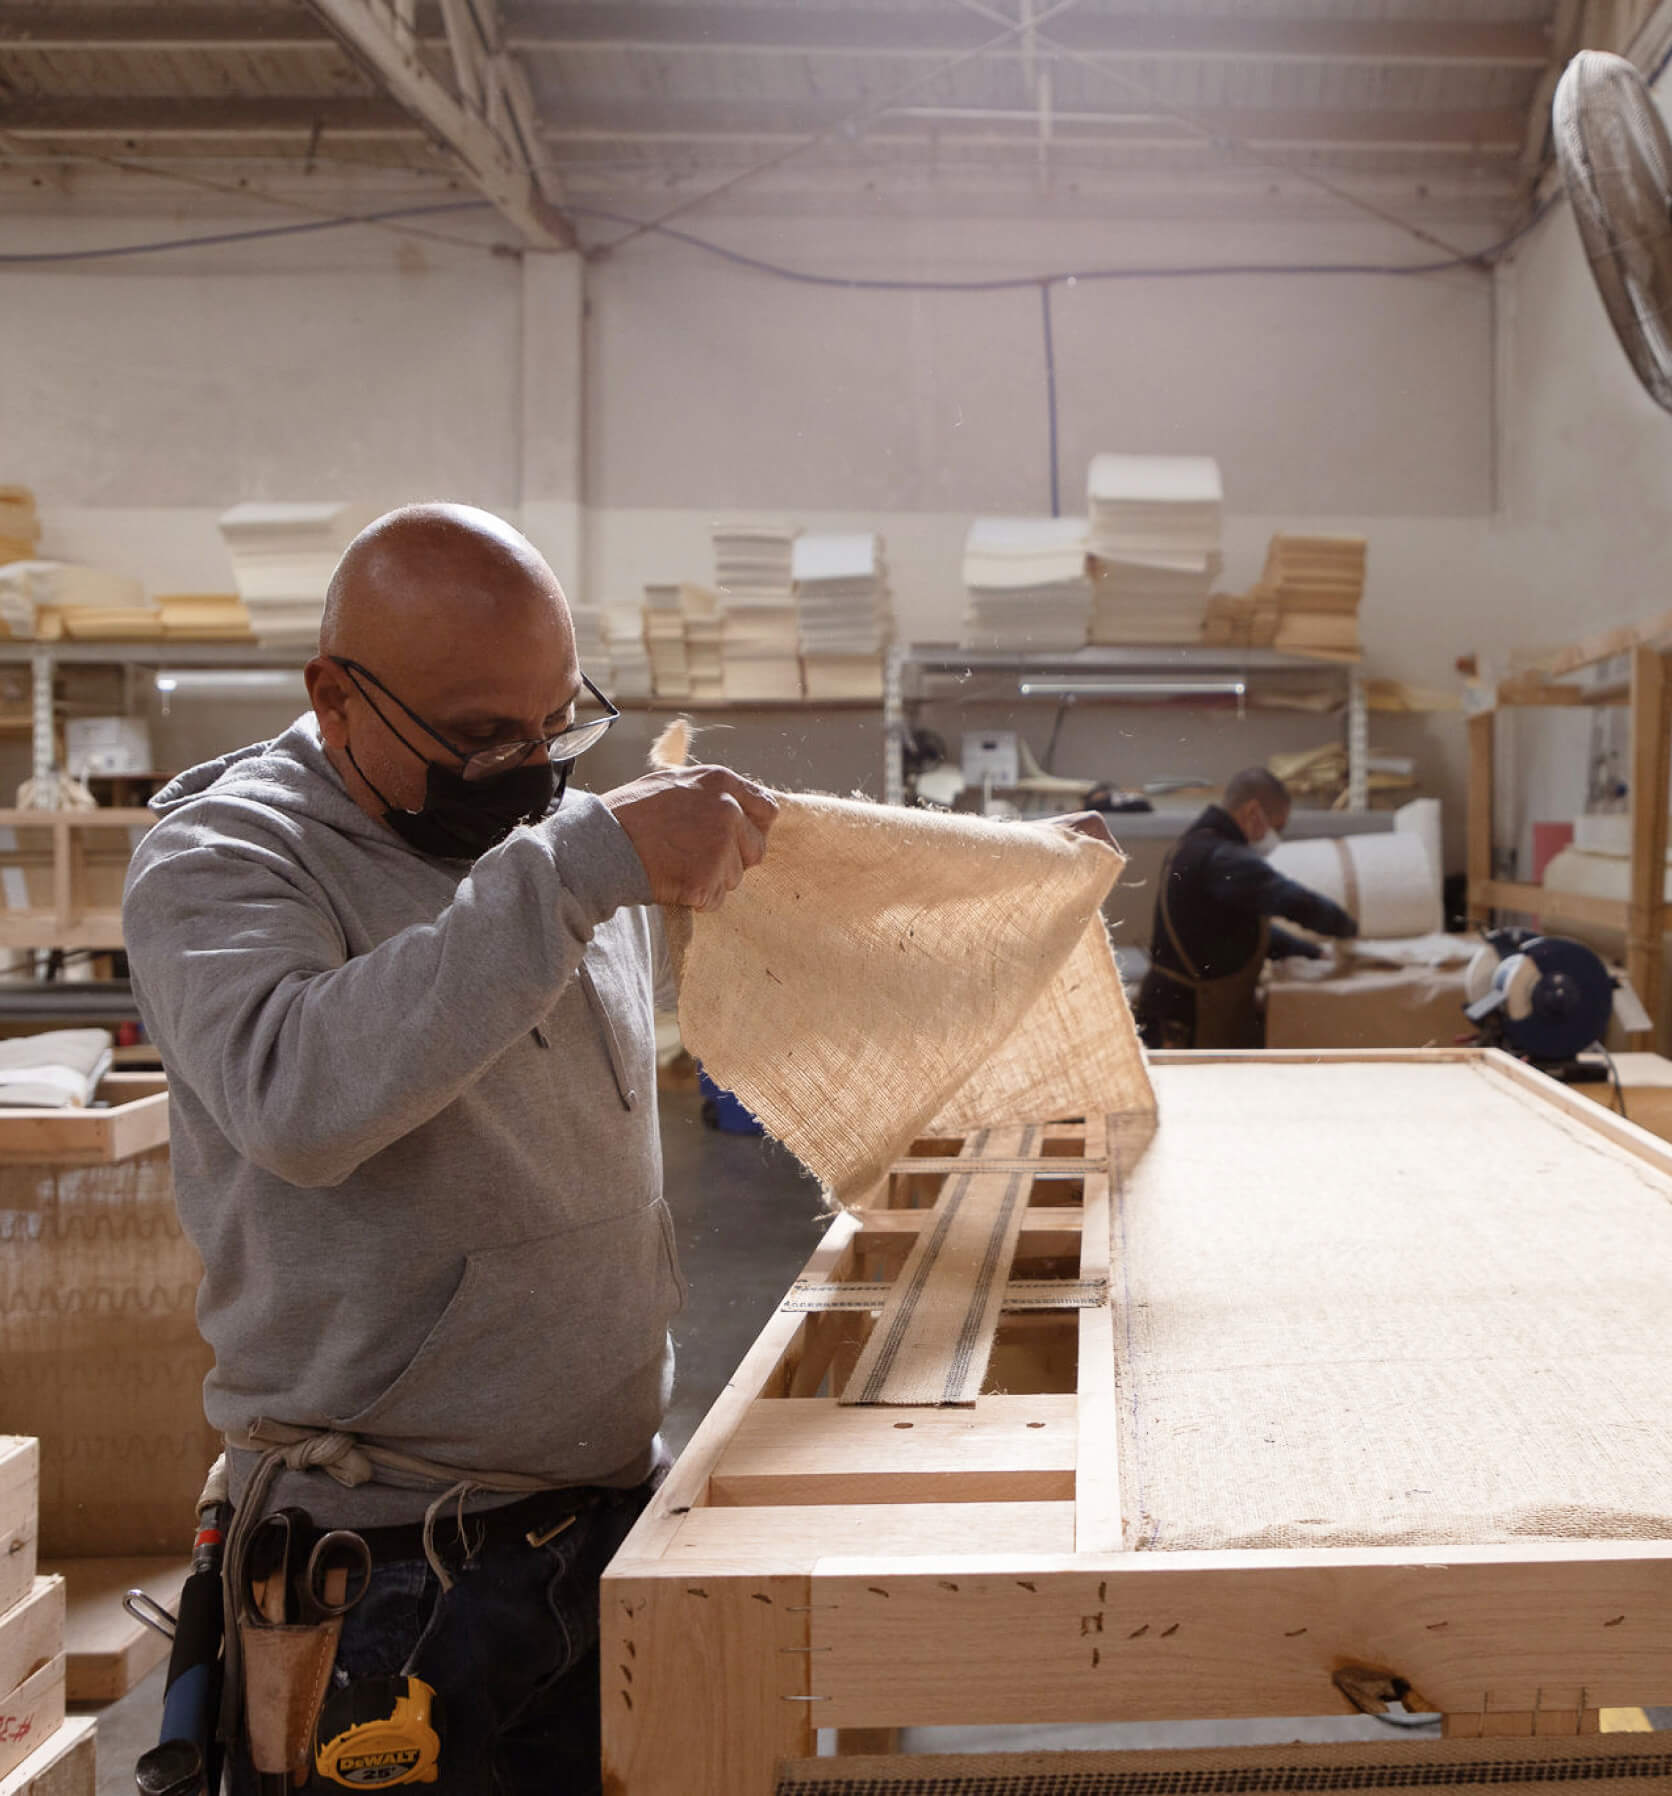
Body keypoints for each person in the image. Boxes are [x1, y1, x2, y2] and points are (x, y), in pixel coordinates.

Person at [121, 503, 780, 1793]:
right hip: (388, 1574)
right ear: (333, 694)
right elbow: (296, 1095)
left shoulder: (551, 838)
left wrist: (1008, 875)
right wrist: (575, 867)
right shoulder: (222, 858)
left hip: (604, 1517)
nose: (531, 768)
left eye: (555, 724)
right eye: (481, 735)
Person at [1133, 766, 1357, 1050]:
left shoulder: (1198, 844)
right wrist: (1349, 928)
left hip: (1180, 1007)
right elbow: (1291, 899)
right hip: (1187, 1019)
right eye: (1277, 827)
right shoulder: (1223, 858)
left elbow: (1243, 932)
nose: (1275, 837)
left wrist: (1314, 952)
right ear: (1253, 812)